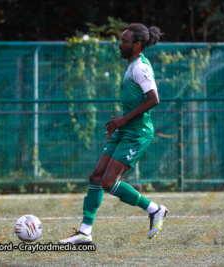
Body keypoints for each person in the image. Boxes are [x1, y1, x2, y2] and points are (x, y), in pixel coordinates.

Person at [59, 23, 168, 244]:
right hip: (125, 129)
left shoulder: (140, 67)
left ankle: (154, 209)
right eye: (121, 40)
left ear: (138, 45)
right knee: (96, 177)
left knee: (109, 182)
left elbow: (153, 99)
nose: (120, 44)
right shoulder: (132, 65)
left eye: (125, 41)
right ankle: (85, 233)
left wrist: (124, 120)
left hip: (137, 134)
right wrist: (119, 122)